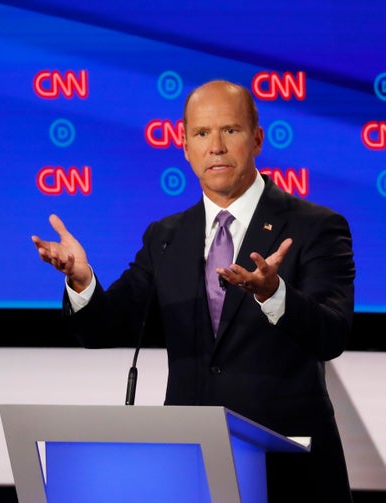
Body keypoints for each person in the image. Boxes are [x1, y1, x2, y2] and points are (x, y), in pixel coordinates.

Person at [32, 80, 355, 502]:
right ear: (185, 146)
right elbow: (104, 329)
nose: (215, 146)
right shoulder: (166, 237)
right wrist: (80, 279)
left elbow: (332, 334)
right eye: (201, 134)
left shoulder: (315, 226)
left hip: (289, 473)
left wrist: (274, 294)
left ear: (257, 138)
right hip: (192, 471)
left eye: (230, 130)